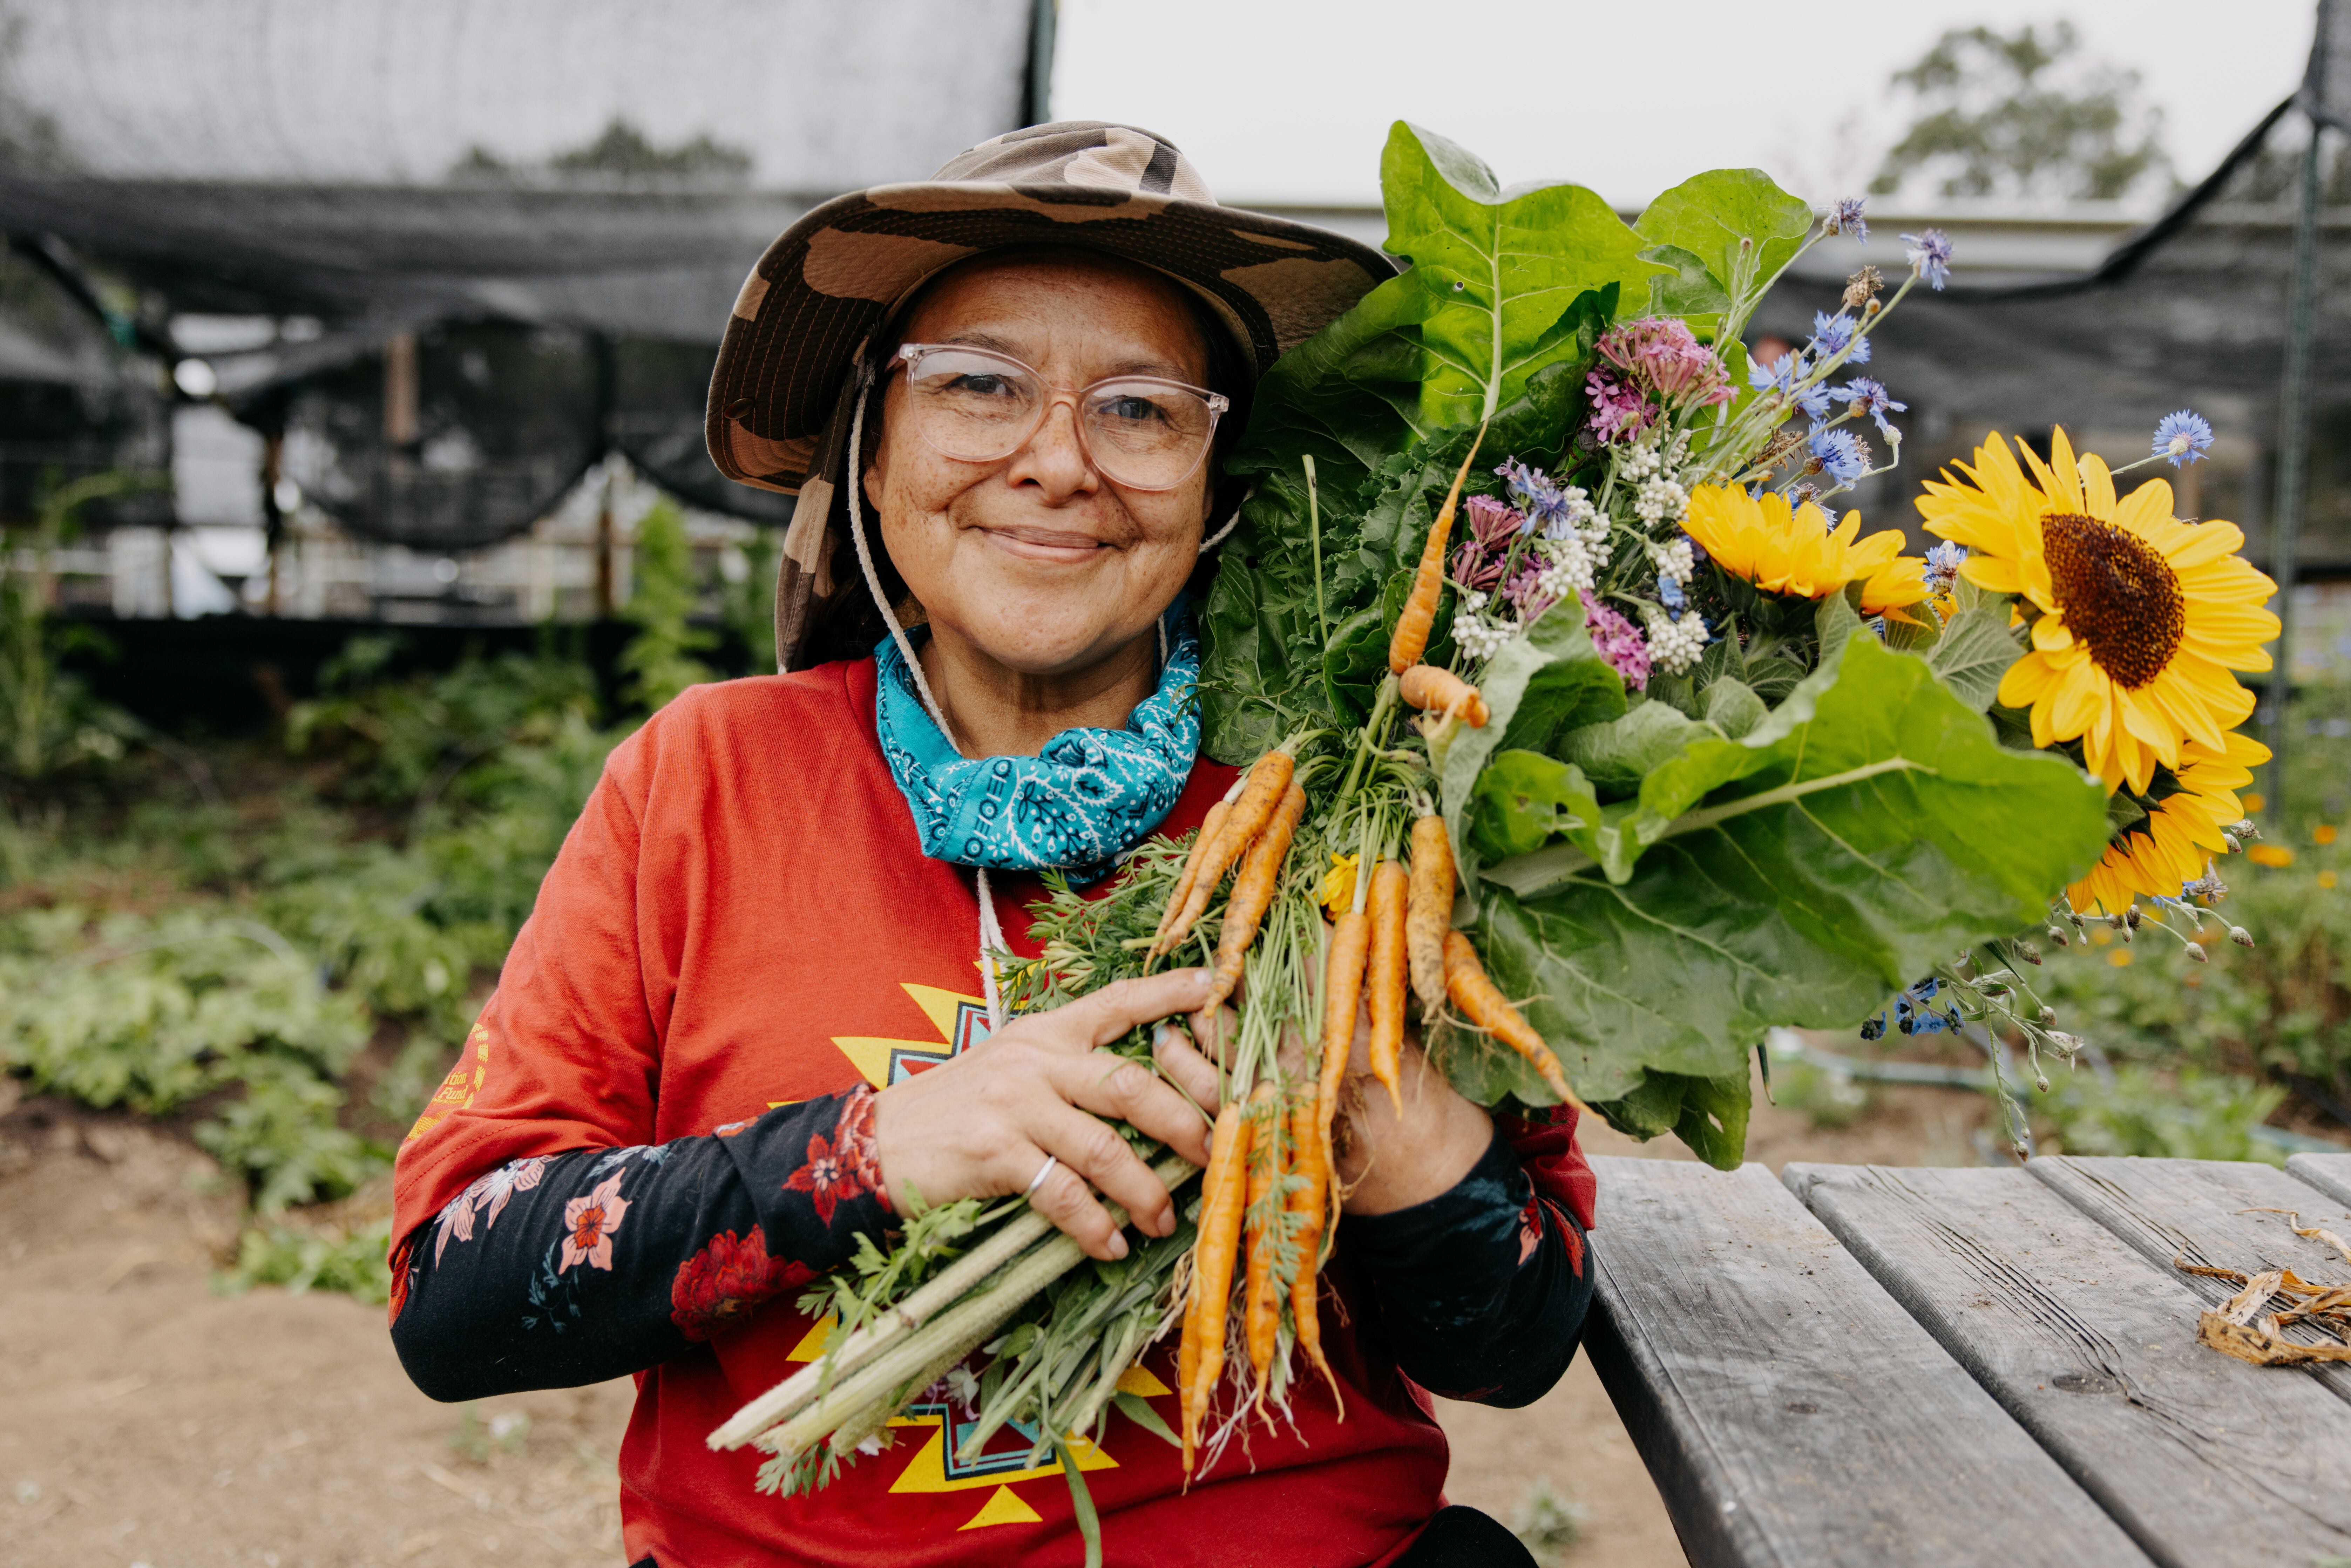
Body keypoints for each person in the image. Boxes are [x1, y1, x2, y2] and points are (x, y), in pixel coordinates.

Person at [388, 121, 1596, 1568]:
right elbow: (453, 1300)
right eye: (978, 386)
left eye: (1142, 409)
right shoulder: (703, 779)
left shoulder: (1370, 803)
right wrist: (873, 1152)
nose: (1057, 462)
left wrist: (1378, 1109)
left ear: (1221, 481)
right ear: (872, 455)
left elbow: (1519, 1345)